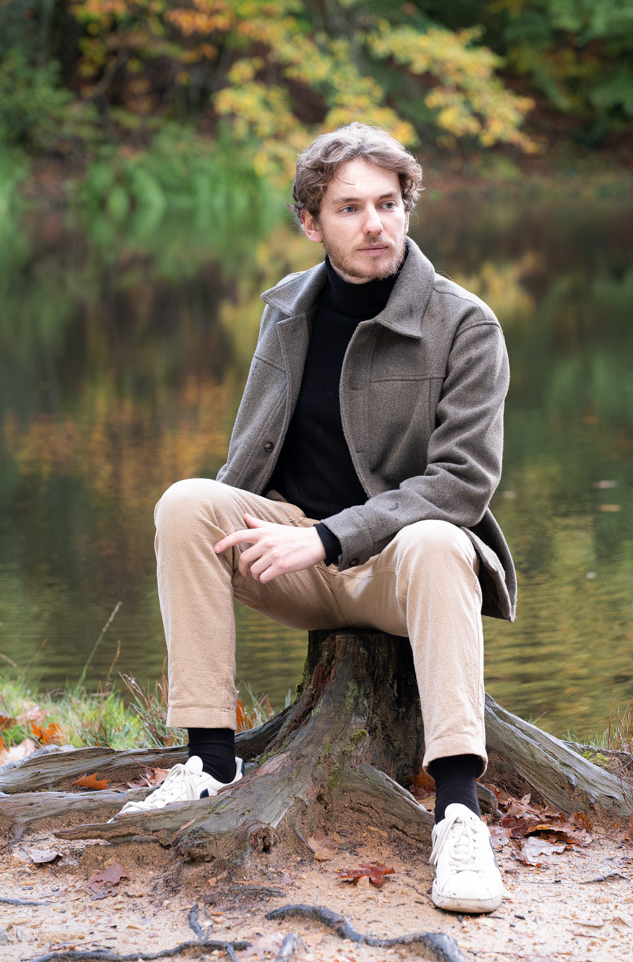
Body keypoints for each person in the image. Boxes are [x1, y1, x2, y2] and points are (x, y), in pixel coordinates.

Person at [115, 122, 517, 915]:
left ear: (407, 208)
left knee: (440, 539)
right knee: (186, 502)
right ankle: (210, 762)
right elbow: (248, 455)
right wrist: (245, 526)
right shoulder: (286, 311)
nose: (375, 224)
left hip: (399, 566)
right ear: (311, 222)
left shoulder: (464, 324)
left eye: (388, 204)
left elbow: (462, 483)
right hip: (295, 558)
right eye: (349, 208)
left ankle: (458, 816)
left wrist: (328, 538)